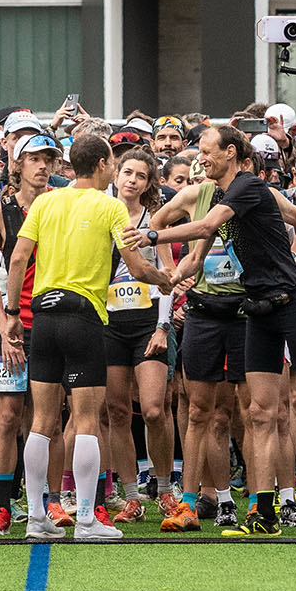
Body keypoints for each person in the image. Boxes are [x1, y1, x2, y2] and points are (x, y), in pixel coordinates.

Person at [134, 125, 296, 540]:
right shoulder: (219, 197)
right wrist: (172, 278)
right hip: (255, 309)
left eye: (206, 151)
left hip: (292, 304)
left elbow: (202, 229)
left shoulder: (248, 187)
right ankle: (263, 511)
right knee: (258, 413)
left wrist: (151, 234)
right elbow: (200, 253)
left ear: (230, 152)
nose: (199, 157)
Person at [3, 133, 171, 543]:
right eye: (113, 163)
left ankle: (37, 518)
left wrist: (11, 313)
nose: (116, 170)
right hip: (84, 318)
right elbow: (135, 264)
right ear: (100, 164)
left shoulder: (44, 201)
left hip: (41, 316)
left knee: (42, 421)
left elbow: (19, 257)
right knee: (86, 420)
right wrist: (163, 280)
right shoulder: (111, 206)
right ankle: (85, 520)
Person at [0, 131, 60, 537]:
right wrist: (4, 322)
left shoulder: (61, 205)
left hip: (52, 322)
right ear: (17, 164)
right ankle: (3, 507)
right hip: (11, 324)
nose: (43, 166)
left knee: (49, 419)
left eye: (50, 159)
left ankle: (51, 502)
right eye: (35, 159)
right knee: (6, 416)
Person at [103, 146, 179, 527]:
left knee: (152, 408)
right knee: (116, 411)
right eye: (127, 172)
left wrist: (162, 328)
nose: (132, 180)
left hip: (148, 320)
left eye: (140, 176)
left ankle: (164, 487)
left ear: (149, 184)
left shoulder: (154, 221)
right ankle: (131, 496)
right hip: (109, 322)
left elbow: (168, 274)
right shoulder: (101, 212)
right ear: (115, 174)